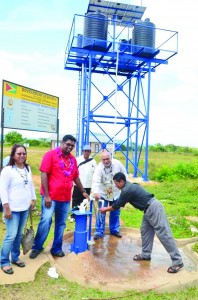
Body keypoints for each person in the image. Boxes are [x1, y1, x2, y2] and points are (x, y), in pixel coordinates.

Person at [99, 172, 184, 274]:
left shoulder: (127, 190)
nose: (116, 186)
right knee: (145, 231)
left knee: (164, 234)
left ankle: (177, 261)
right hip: (147, 210)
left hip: (153, 208)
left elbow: (117, 205)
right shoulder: (129, 186)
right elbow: (121, 202)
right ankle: (145, 255)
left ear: (121, 181)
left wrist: (105, 209)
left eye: (116, 183)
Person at [29, 134, 89, 259]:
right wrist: (46, 196)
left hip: (65, 198)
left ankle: (56, 248)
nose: (70, 147)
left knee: (61, 224)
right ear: (62, 143)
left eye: (72, 146)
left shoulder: (73, 160)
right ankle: (37, 247)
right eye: (68, 144)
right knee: (45, 221)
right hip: (50, 197)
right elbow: (44, 174)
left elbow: (75, 177)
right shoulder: (50, 155)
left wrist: (83, 191)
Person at [0, 144, 36, 275]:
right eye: (19, 153)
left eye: (24, 153)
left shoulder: (27, 168)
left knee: (19, 235)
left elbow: (30, 185)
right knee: (11, 235)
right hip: (12, 209)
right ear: (13, 155)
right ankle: (4, 261)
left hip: (24, 208)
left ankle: (15, 257)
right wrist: (6, 207)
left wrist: (33, 198)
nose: (22, 156)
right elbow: (2, 190)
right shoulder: (8, 170)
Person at [91, 150, 127, 240]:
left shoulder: (117, 164)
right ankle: (99, 231)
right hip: (103, 193)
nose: (106, 161)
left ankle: (114, 230)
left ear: (110, 157)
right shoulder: (99, 168)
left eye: (107, 159)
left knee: (115, 212)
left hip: (116, 192)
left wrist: (124, 187)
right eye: (104, 160)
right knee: (101, 212)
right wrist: (96, 192)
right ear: (101, 160)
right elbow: (96, 180)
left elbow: (124, 174)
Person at [70, 144, 97, 222]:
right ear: (82, 151)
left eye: (88, 151)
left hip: (88, 185)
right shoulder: (77, 159)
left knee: (85, 201)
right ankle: (73, 216)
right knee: (75, 200)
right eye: (85, 151)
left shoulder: (93, 161)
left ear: (90, 152)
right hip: (78, 184)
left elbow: (95, 172)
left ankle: (82, 215)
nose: (86, 153)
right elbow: (73, 172)